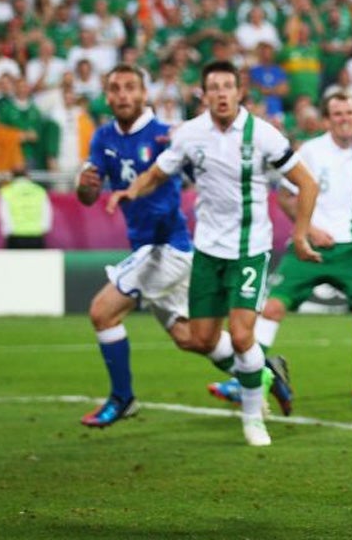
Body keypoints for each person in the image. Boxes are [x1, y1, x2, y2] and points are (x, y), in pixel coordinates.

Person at [108, 61, 321, 447]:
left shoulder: (263, 134)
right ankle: (266, 372)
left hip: (249, 251)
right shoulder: (191, 134)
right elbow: (158, 173)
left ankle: (253, 419)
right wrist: (130, 191)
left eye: (228, 86)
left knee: (241, 336)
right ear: (203, 95)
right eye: (214, 88)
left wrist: (301, 234)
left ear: (239, 92)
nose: (221, 93)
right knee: (201, 340)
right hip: (207, 251)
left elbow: (306, 183)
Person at [207, 91, 352, 407]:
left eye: (349, 112)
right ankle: (243, 381)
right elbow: (285, 196)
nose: (345, 119)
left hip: (349, 251)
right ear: (326, 120)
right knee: (272, 309)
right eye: (337, 114)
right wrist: (308, 229)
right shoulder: (310, 151)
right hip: (307, 248)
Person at [75, 64, 235, 427]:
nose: (122, 95)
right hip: (150, 250)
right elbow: (87, 195)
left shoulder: (167, 135)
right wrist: (84, 185)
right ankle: (259, 371)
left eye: (130, 87)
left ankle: (122, 397)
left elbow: (208, 175)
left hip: (168, 248)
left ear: (144, 94)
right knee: (189, 338)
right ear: (107, 95)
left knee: (102, 312)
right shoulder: (102, 138)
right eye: (115, 88)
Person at [0, 166, 52, 248]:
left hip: (15, 236)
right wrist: (43, 228)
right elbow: (47, 212)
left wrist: (8, 230)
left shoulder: (6, 192)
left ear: (12, 176)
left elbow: (4, 214)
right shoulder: (40, 191)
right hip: (36, 236)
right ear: (28, 176)